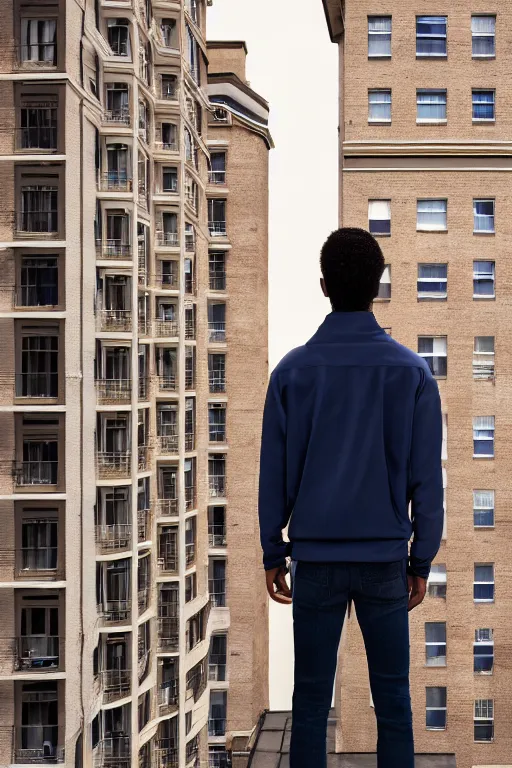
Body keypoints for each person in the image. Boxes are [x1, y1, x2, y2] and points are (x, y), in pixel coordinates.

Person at [258, 227, 444, 768]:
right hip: (386, 562)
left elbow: (276, 473)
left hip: (314, 562)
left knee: (310, 703)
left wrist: (274, 550)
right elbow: (425, 479)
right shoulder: (411, 372)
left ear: (324, 286)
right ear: (378, 285)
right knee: (393, 704)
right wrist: (421, 560)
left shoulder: (291, 372)